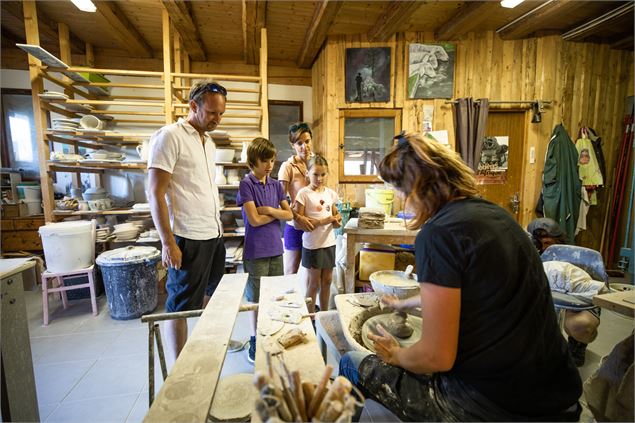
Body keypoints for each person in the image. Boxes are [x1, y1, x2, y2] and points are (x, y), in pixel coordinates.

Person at [339, 132, 582, 421]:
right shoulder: (498, 216)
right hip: (559, 398)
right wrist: (406, 303)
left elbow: (436, 356)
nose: (402, 200)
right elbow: (474, 290)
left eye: (400, 190)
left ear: (417, 188)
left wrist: (396, 355)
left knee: (351, 362)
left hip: (491, 407)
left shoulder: (438, 234)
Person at [147, 80, 227, 362]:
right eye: (212, 112)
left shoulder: (209, 142)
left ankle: (200, 348)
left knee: (208, 295)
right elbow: (155, 192)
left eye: (221, 114)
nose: (217, 119)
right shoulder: (170, 136)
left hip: (213, 234)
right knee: (179, 305)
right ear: (193, 106)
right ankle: (179, 363)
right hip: (187, 236)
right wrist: (168, 242)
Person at [237, 137, 293, 363]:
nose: (270, 165)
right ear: (253, 161)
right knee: (256, 300)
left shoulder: (276, 185)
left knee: (274, 297)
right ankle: (254, 339)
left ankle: (271, 334)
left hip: (275, 248)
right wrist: (274, 215)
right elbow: (254, 220)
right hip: (256, 250)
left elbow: (289, 215)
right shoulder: (246, 184)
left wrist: (269, 209)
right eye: (264, 161)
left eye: (272, 160)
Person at [528, 217, 602, 366]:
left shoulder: (579, 259)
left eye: (548, 243)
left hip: (574, 300)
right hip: (543, 301)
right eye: (538, 243)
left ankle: (577, 344)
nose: (543, 248)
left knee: (581, 325)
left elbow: (593, 292)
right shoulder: (529, 256)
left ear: (558, 241)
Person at [293, 155, 341, 313]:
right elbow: (299, 223)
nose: (319, 178)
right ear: (307, 173)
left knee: (327, 281)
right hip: (312, 244)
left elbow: (335, 214)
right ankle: (310, 316)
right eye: (315, 174)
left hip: (329, 243)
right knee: (314, 283)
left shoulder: (331, 194)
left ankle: (324, 314)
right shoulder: (303, 194)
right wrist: (324, 221)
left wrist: (337, 220)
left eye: (323, 174)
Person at [278, 122, 315, 275]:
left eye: (307, 141)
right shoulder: (288, 166)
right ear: (292, 145)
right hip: (295, 225)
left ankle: (309, 300)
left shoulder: (317, 163)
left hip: (315, 225)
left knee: (313, 272)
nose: (304, 147)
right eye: (299, 143)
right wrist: (298, 218)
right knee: (291, 271)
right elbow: (280, 200)